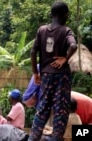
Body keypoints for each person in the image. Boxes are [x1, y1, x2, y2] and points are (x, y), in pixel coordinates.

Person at [28, 1, 77, 141]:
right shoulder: (66, 30)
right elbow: (73, 45)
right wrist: (65, 59)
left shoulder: (41, 30)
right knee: (60, 111)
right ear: (65, 15)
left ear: (51, 14)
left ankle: (33, 138)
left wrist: (35, 73)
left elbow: (33, 51)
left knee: (43, 108)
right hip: (62, 77)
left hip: (46, 75)